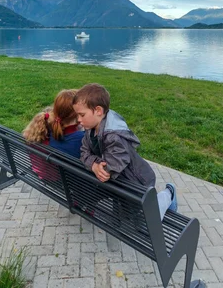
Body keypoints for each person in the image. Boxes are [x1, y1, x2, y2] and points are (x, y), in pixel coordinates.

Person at [72, 83, 177, 221]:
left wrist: (98, 166)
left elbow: (111, 166)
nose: (78, 120)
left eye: (81, 115)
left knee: (148, 216)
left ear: (98, 111)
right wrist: (93, 165)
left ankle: (169, 194)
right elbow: (84, 152)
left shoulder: (114, 135)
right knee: (126, 216)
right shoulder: (90, 130)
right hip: (120, 182)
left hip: (137, 181)